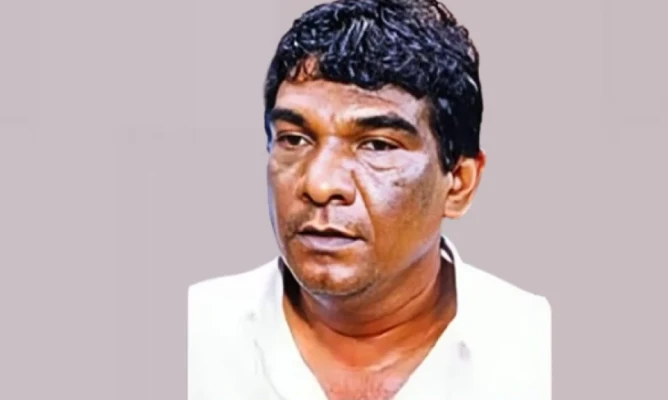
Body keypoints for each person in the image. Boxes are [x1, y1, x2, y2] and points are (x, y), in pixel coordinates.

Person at [188, 0, 551, 399]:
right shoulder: (195, 334)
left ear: (459, 184)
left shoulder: (538, 353)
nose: (319, 184)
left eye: (377, 145)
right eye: (294, 139)